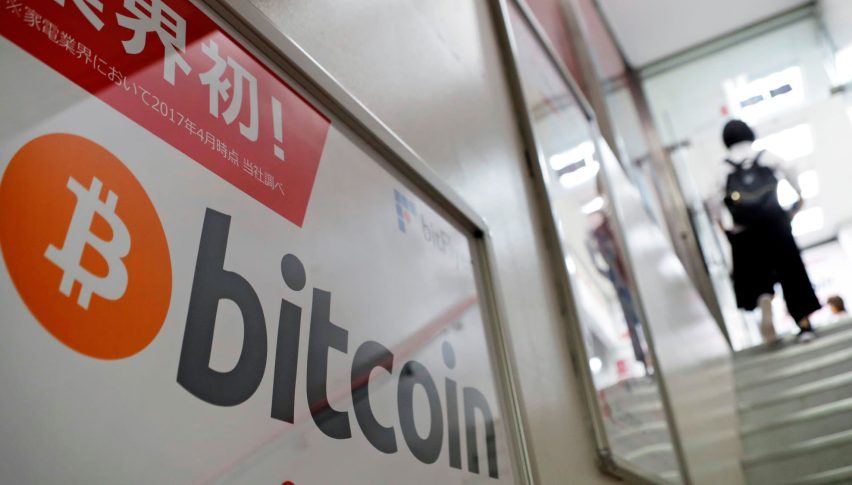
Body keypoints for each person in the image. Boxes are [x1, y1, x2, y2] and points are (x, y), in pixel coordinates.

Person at [709, 120, 821, 340]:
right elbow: (790, 169)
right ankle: (803, 324)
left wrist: (722, 226)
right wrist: (799, 198)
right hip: (775, 223)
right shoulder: (765, 155)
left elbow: (711, 198)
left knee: (755, 271)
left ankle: (764, 296)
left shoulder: (722, 166)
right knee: (791, 271)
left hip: (745, 230)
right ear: (749, 133)